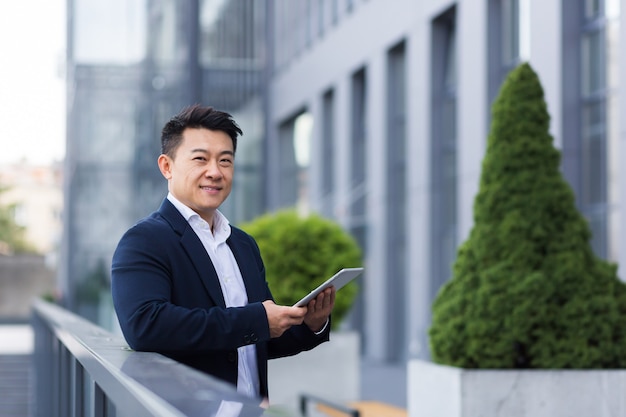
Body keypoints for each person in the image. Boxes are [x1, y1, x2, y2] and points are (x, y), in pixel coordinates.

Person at [111, 104, 335, 404]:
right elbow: (145, 326)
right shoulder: (144, 240)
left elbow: (255, 341)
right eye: (200, 159)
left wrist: (311, 324)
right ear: (167, 166)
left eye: (225, 160)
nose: (214, 172)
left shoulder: (243, 245)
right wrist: (255, 321)